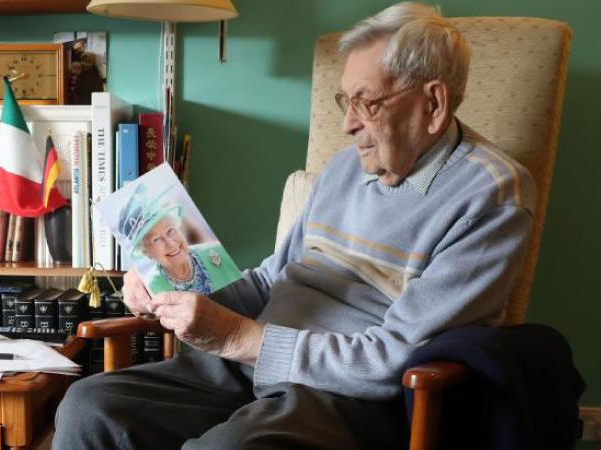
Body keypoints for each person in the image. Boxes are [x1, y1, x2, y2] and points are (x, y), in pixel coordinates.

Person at [53, 2, 535, 449]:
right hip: (250, 365)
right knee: (91, 406)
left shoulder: (491, 195)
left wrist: (239, 337)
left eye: (365, 102)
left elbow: (391, 359)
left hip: (346, 397)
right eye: (342, 100)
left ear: (432, 104)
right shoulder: (347, 167)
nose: (347, 124)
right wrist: (178, 290)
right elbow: (271, 282)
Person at [117, 184, 241, 295]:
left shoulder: (216, 251)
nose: (170, 243)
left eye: (170, 231)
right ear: (146, 253)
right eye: (156, 240)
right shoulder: (153, 287)